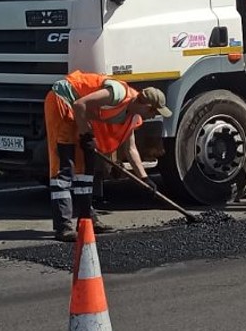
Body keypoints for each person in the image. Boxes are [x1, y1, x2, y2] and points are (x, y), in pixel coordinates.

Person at [43, 73, 172, 238]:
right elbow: (79, 104)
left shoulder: (132, 116)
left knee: (85, 170)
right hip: (63, 100)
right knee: (65, 166)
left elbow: (130, 149)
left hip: (81, 114)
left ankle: (87, 221)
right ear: (146, 105)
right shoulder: (118, 93)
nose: (154, 116)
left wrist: (144, 179)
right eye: (153, 111)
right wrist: (86, 136)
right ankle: (63, 227)